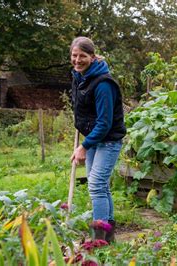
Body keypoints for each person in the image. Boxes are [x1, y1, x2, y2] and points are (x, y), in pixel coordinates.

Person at [69, 36, 126, 243]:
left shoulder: (103, 84)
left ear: (92, 57)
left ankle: (98, 239)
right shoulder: (79, 76)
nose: (77, 60)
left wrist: (84, 147)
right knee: (101, 186)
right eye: (74, 56)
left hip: (108, 140)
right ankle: (108, 237)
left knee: (96, 185)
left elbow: (104, 123)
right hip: (93, 138)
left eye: (82, 56)